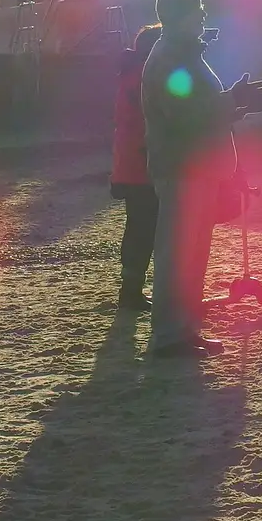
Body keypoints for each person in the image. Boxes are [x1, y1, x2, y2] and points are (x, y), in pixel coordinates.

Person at [140, 0, 262, 358]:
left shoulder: (181, 55)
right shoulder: (171, 58)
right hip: (183, 170)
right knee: (179, 254)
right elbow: (185, 114)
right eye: (197, 11)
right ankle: (172, 335)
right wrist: (234, 99)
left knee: (191, 253)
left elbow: (197, 111)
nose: (203, 16)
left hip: (193, 168)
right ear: (178, 16)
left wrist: (236, 103)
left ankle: (183, 330)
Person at [111, 24, 162, 313]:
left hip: (130, 163)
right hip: (144, 164)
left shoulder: (131, 74)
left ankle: (131, 289)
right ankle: (132, 292)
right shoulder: (147, 76)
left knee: (138, 228)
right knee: (145, 230)